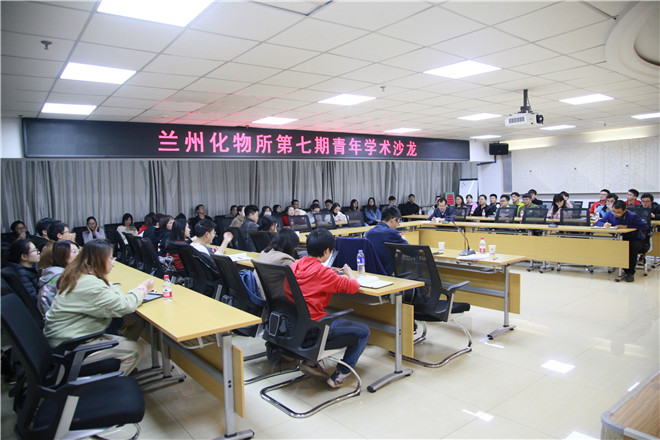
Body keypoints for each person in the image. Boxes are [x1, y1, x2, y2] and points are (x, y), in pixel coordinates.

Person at [44, 239, 152, 375]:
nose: (113, 262)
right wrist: (142, 289)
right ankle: (109, 385)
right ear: (100, 260)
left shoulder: (80, 274)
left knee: (127, 335)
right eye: (111, 258)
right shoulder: (90, 284)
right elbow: (125, 306)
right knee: (135, 350)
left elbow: (112, 290)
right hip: (70, 347)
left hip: (68, 338)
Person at [289, 228, 369, 388]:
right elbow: (353, 286)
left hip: (295, 325)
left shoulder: (295, 265)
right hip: (316, 327)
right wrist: (349, 273)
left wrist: (329, 273)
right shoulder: (322, 272)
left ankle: (310, 361)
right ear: (326, 251)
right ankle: (340, 375)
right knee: (364, 331)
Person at [595, 200, 648, 282]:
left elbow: (645, 226)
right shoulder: (610, 214)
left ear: (624, 210)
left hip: (635, 240)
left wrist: (627, 226)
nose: (616, 214)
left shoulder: (632, 216)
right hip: (620, 238)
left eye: (619, 212)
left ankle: (630, 273)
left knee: (630, 247)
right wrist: (603, 224)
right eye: (614, 212)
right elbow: (599, 222)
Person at [255, 228, 299, 298]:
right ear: (290, 245)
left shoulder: (264, 252)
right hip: (278, 298)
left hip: (260, 294)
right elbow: (299, 279)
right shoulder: (285, 259)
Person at [38, 240, 79, 314]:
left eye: (78, 251)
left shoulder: (61, 272)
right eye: (74, 252)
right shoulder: (60, 276)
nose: (78, 255)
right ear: (62, 255)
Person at [365, 206, 408, 275]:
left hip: (371, 274)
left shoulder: (369, 233)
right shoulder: (392, 232)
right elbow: (411, 251)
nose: (397, 225)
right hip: (386, 274)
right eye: (398, 222)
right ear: (393, 220)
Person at [6, 239, 40, 303]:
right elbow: (33, 298)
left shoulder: (32, 266)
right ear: (24, 256)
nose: (38, 252)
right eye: (34, 250)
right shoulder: (21, 274)